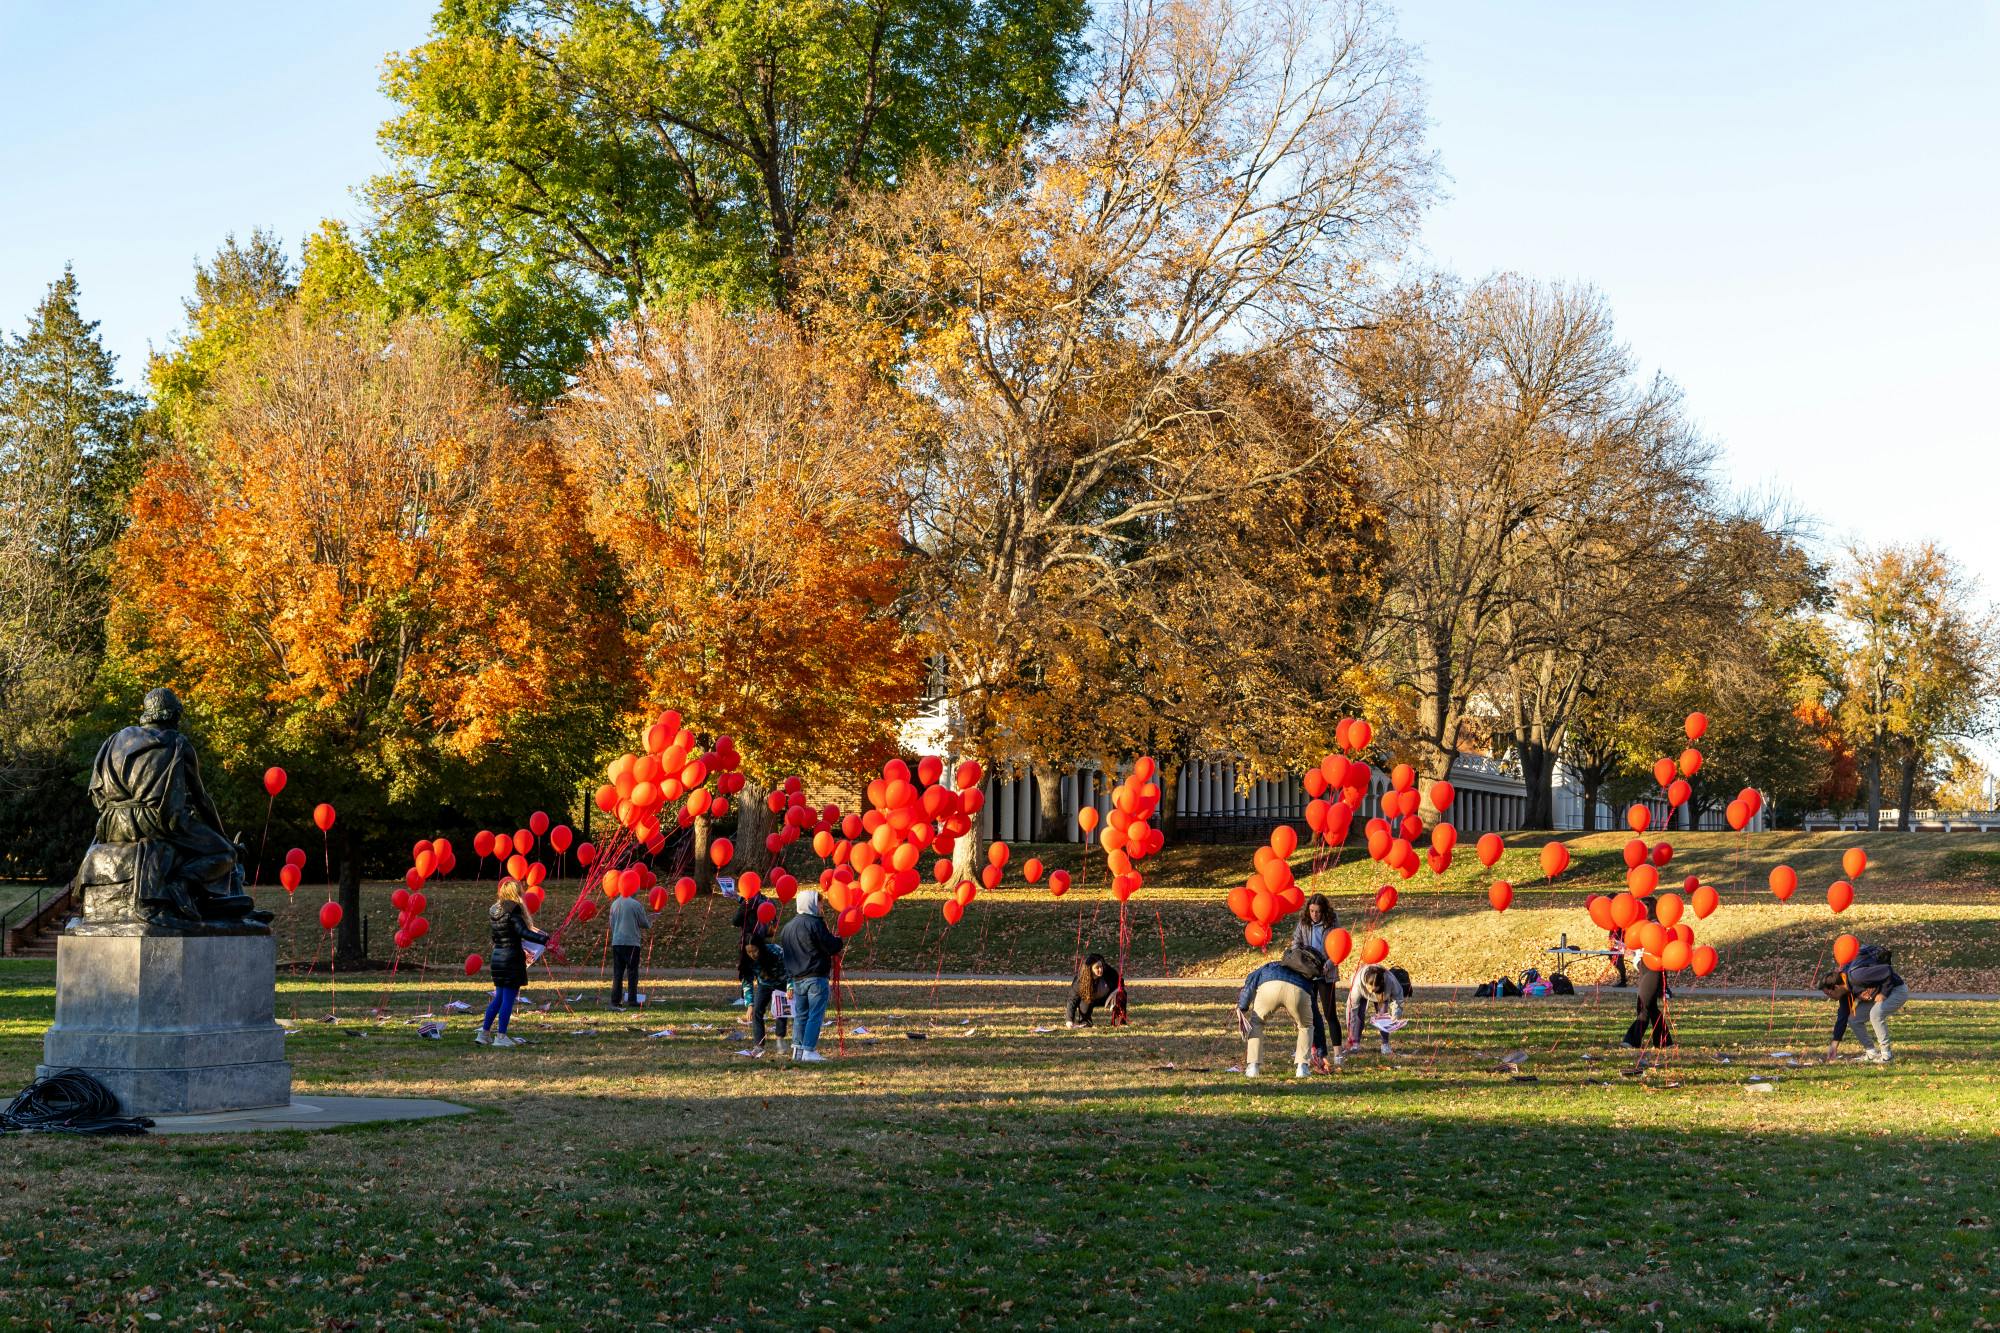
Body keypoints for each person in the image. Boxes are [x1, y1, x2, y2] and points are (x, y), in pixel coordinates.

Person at [777, 889, 844, 1063]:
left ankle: (797, 1050)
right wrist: (840, 940)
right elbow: (830, 945)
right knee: (815, 1014)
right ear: (812, 904)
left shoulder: (787, 928)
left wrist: (790, 980)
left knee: (801, 1015)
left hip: (797, 978)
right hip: (815, 976)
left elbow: (786, 956)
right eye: (820, 903)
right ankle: (809, 1050)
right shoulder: (815, 923)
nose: (822, 906)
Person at [480, 879, 549, 1048]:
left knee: (499, 998)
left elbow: (496, 937)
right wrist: (544, 939)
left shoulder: (494, 911)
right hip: (511, 959)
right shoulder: (513, 910)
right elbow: (522, 932)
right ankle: (501, 1036)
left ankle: (484, 1033)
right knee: (508, 999)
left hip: (497, 957)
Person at [1235, 949, 1324, 1078]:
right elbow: (1312, 1004)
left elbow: (1250, 981)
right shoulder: (1305, 975)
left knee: (1257, 1023)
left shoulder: (1269, 966)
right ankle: (1302, 1067)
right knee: (1306, 1026)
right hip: (1299, 990)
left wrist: (1242, 1006)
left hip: (1269, 987)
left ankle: (1253, 1067)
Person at [1822, 944, 1909, 1064]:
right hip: (1883, 993)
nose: (1829, 998)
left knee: (1875, 1014)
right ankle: (1871, 1053)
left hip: (1897, 990)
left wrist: (1883, 993)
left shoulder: (1856, 976)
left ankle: (1887, 1056)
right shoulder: (1845, 993)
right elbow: (1842, 1017)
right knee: (1854, 1019)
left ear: (1836, 987)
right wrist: (1834, 1044)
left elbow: (1887, 970)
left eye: (1829, 994)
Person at [1291, 895, 1342, 1057]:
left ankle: (1338, 1053)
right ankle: (1315, 1048)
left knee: (1330, 1014)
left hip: (1326, 974)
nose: (1314, 915)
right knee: (1309, 1013)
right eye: (1312, 911)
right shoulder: (1304, 923)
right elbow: (1296, 943)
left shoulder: (1332, 923)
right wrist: (1300, 961)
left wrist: (1330, 963)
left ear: (1324, 911)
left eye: (1318, 912)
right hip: (1308, 973)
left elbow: (1340, 945)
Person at [744, 934, 792, 1057]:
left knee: (781, 1011)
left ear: (760, 947)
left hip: (781, 982)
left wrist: (790, 987)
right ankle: (759, 1045)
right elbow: (747, 982)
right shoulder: (747, 960)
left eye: (754, 950)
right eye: (749, 952)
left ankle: (780, 1039)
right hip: (764, 985)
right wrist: (750, 1003)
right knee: (756, 1011)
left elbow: (790, 968)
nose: (752, 954)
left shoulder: (776, 951)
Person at [1343, 964, 1406, 1056]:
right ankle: (1354, 1043)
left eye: (1374, 988)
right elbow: (1351, 1009)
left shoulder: (1390, 981)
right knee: (1358, 1015)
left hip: (1382, 994)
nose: (1371, 990)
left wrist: (1395, 1014)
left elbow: (1398, 998)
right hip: (1361, 991)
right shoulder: (1357, 984)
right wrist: (1350, 1034)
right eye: (1369, 987)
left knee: (1383, 1016)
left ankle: (1385, 1044)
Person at [607, 887, 652, 1008]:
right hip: (631, 942)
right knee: (632, 972)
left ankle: (615, 1000)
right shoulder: (636, 904)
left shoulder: (614, 904)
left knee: (618, 973)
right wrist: (651, 920)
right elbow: (645, 923)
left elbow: (611, 923)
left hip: (617, 942)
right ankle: (632, 999)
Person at [731, 882, 772, 1006]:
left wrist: (742, 903)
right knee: (763, 969)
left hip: (748, 941)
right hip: (762, 940)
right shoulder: (766, 900)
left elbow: (736, 921)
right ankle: (763, 997)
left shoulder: (747, 904)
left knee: (746, 970)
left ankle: (745, 998)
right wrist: (738, 898)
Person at [1067, 954, 1127, 1027]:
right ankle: (1085, 1022)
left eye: (1101, 966)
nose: (1100, 969)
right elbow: (1072, 1000)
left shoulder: (1108, 971)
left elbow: (1120, 981)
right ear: (1090, 969)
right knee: (1084, 1001)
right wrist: (1069, 1020)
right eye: (1097, 968)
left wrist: (1115, 992)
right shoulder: (1080, 980)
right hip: (1089, 999)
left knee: (1121, 995)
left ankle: (1119, 1022)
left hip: (1107, 998)